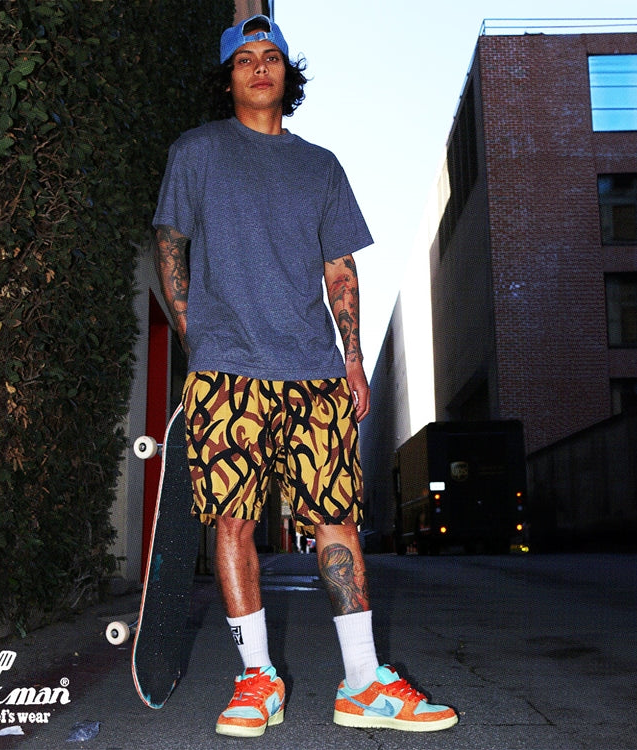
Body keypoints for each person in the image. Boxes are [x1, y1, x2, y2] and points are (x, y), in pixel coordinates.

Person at [152, 14, 458, 738]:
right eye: (245, 59)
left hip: (315, 370)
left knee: (335, 516)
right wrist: (198, 336)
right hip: (229, 368)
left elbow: (340, 268)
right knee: (233, 518)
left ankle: (363, 683)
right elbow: (170, 245)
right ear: (228, 77)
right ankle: (257, 679)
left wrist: (352, 356)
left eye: (271, 57)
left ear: (288, 74)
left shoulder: (321, 166)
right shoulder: (196, 152)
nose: (259, 67)